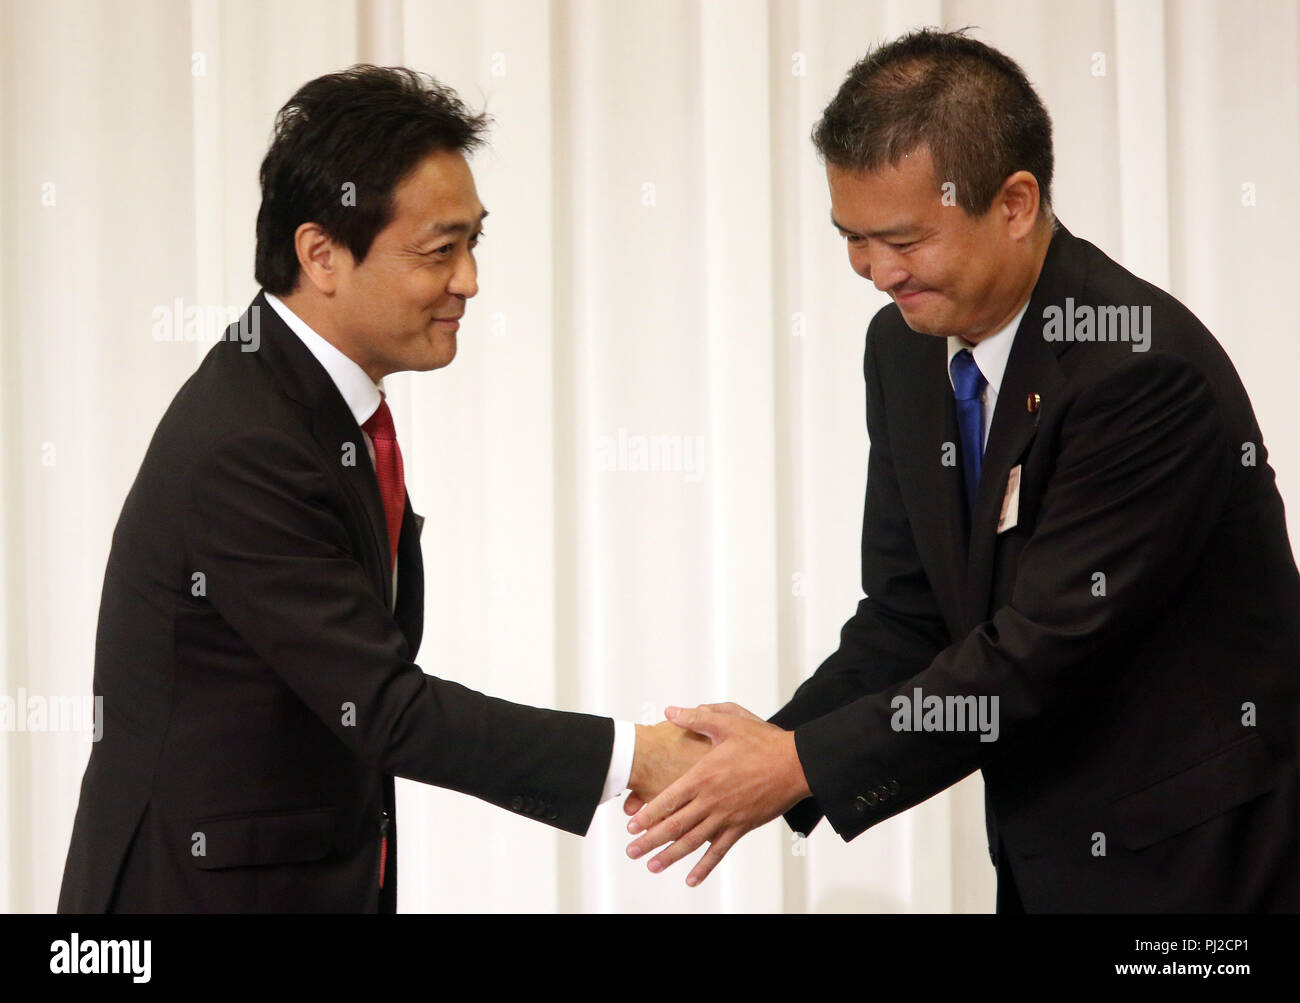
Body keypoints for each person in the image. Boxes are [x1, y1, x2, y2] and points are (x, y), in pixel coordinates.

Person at [626, 28, 1300, 912]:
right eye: (852, 238)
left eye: (903, 238)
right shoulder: (905, 349)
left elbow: (1035, 655)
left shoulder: (1137, 367)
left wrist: (791, 767)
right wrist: (769, 750)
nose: (875, 271)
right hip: (1045, 855)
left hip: (1204, 865)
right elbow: (912, 613)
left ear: (1015, 202)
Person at [58, 65, 704, 913]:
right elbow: (389, 708)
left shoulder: (309, 400)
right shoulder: (246, 442)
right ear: (320, 254)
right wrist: (637, 756)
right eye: (441, 251)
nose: (469, 280)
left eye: (475, 243)